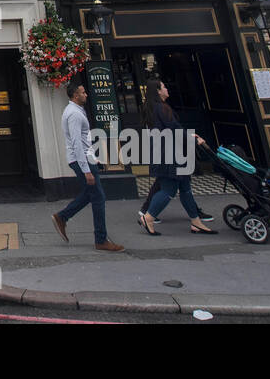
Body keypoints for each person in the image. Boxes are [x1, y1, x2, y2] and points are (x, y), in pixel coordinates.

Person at [51, 80, 124, 252]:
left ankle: (62, 217)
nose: (86, 94)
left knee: (90, 194)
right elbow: (77, 144)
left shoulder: (76, 111)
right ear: (75, 95)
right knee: (98, 197)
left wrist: (93, 158)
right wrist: (86, 170)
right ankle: (101, 240)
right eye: (83, 92)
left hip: (85, 159)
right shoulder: (74, 114)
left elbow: (83, 141)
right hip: (81, 160)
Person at [138, 80, 215, 236]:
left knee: (185, 188)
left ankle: (195, 221)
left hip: (166, 151)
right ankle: (148, 216)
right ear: (158, 91)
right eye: (164, 86)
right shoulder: (162, 108)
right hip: (169, 153)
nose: (167, 88)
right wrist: (193, 140)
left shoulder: (153, 108)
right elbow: (174, 129)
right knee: (168, 189)